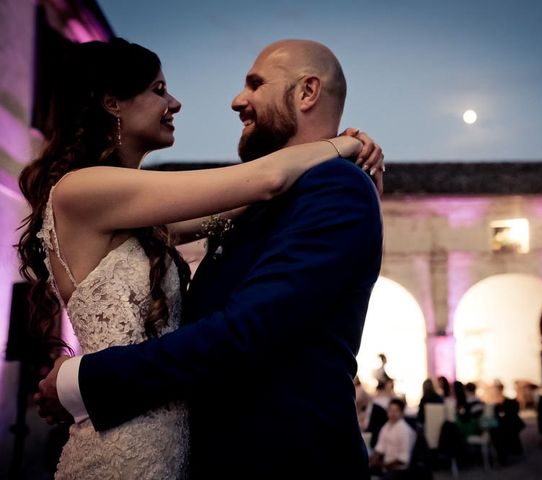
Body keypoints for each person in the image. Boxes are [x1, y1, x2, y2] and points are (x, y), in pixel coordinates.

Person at [35, 38, 385, 479]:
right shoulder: (86, 190)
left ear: (308, 92)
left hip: (277, 460)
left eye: (255, 84)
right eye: (159, 89)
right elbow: (267, 179)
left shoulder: (333, 188)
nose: (236, 100)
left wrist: (80, 381)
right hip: (131, 447)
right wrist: (344, 144)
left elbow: (245, 327)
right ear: (111, 103)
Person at [370, 398, 417, 478]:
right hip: (385, 466)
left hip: (399, 470)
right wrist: (372, 461)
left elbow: (403, 459)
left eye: (396, 411)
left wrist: (382, 465)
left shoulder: (404, 430)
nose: (392, 413)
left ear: (402, 413)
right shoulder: (386, 426)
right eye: (390, 410)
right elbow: (380, 447)